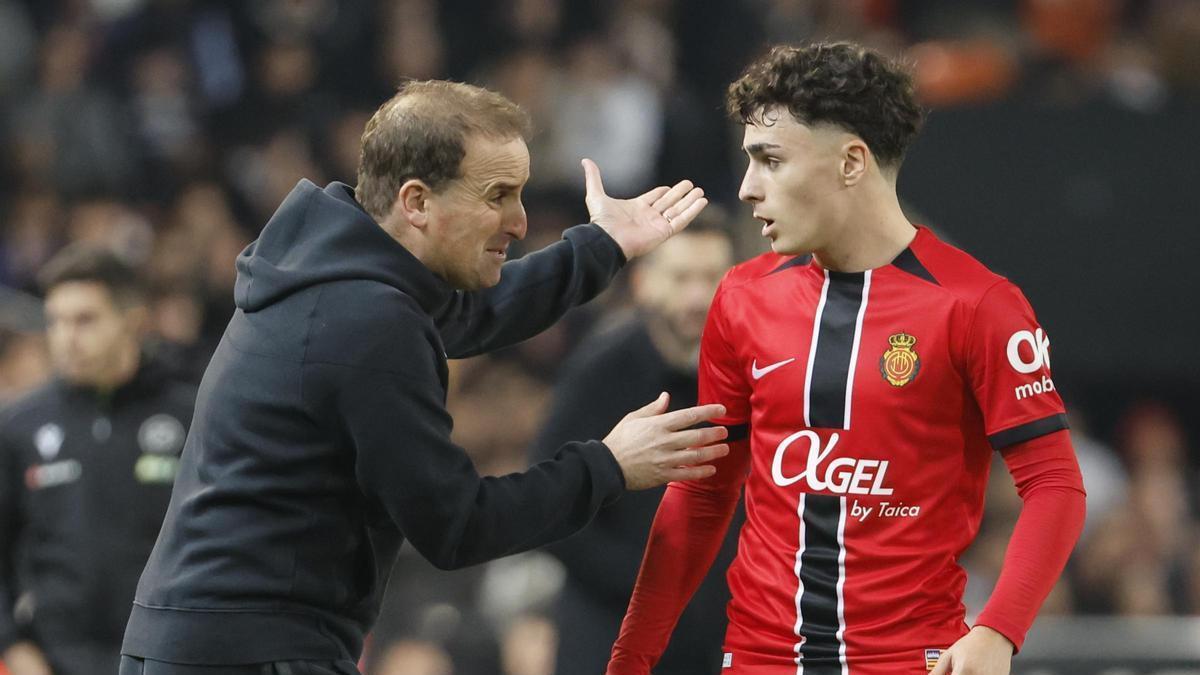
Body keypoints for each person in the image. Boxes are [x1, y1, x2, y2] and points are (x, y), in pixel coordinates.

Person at [120, 79, 729, 675]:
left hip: (211, 638)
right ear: (416, 202)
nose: (519, 222)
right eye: (498, 196)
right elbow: (457, 525)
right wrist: (610, 466)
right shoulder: (368, 320)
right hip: (251, 650)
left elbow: (476, 312)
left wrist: (603, 246)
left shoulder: (336, 275)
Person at [606, 42, 1087, 675]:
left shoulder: (978, 305)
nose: (748, 189)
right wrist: (630, 659)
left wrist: (998, 629)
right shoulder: (742, 297)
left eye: (770, 161)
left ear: (852, 161)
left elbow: (1054, 485)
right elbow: (703, 494)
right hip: (758, 661)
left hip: (911, 662)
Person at [531, 221, 740, 675]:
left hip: (718, 639)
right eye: (682, 278)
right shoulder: (598, 373)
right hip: (608, 635)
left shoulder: (756, 371)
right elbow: (549, 500)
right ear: (644, 284)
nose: (697, 297)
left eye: (712, 278)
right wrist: (648, 584)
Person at [0, 245, 197, 675]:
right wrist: (14, 648)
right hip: (54, 662)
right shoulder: (18, 426)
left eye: (84, 320)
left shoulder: (194, 416)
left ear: (133, 321)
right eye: (55, 321)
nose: (65, 337)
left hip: (169, 660)